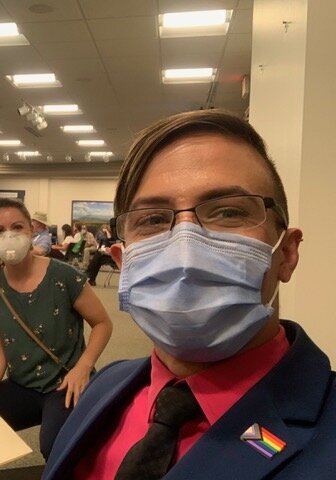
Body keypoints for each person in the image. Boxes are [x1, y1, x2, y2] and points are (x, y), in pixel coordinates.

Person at [43, 109, 336, 479]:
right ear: (122, 261)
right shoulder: (106, 385)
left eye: (228, 212)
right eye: (152, 219)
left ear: (287, 254)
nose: (185, 251)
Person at [0, 198, 113, 479]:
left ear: (31, 231)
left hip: (65, 384)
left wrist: (83, 366)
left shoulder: (64, 277)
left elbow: (102, 323)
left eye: (17, 227)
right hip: (23, 386)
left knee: (56, 447)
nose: (9, 235)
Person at [84, 220, 119, 287]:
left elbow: (111, 240)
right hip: (109, 256)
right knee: (98, 258)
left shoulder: (114, 237)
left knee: (98, 255)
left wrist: (106, 231)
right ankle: (91, 280)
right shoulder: (104, 238)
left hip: (116, 258)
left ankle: (88, 273)